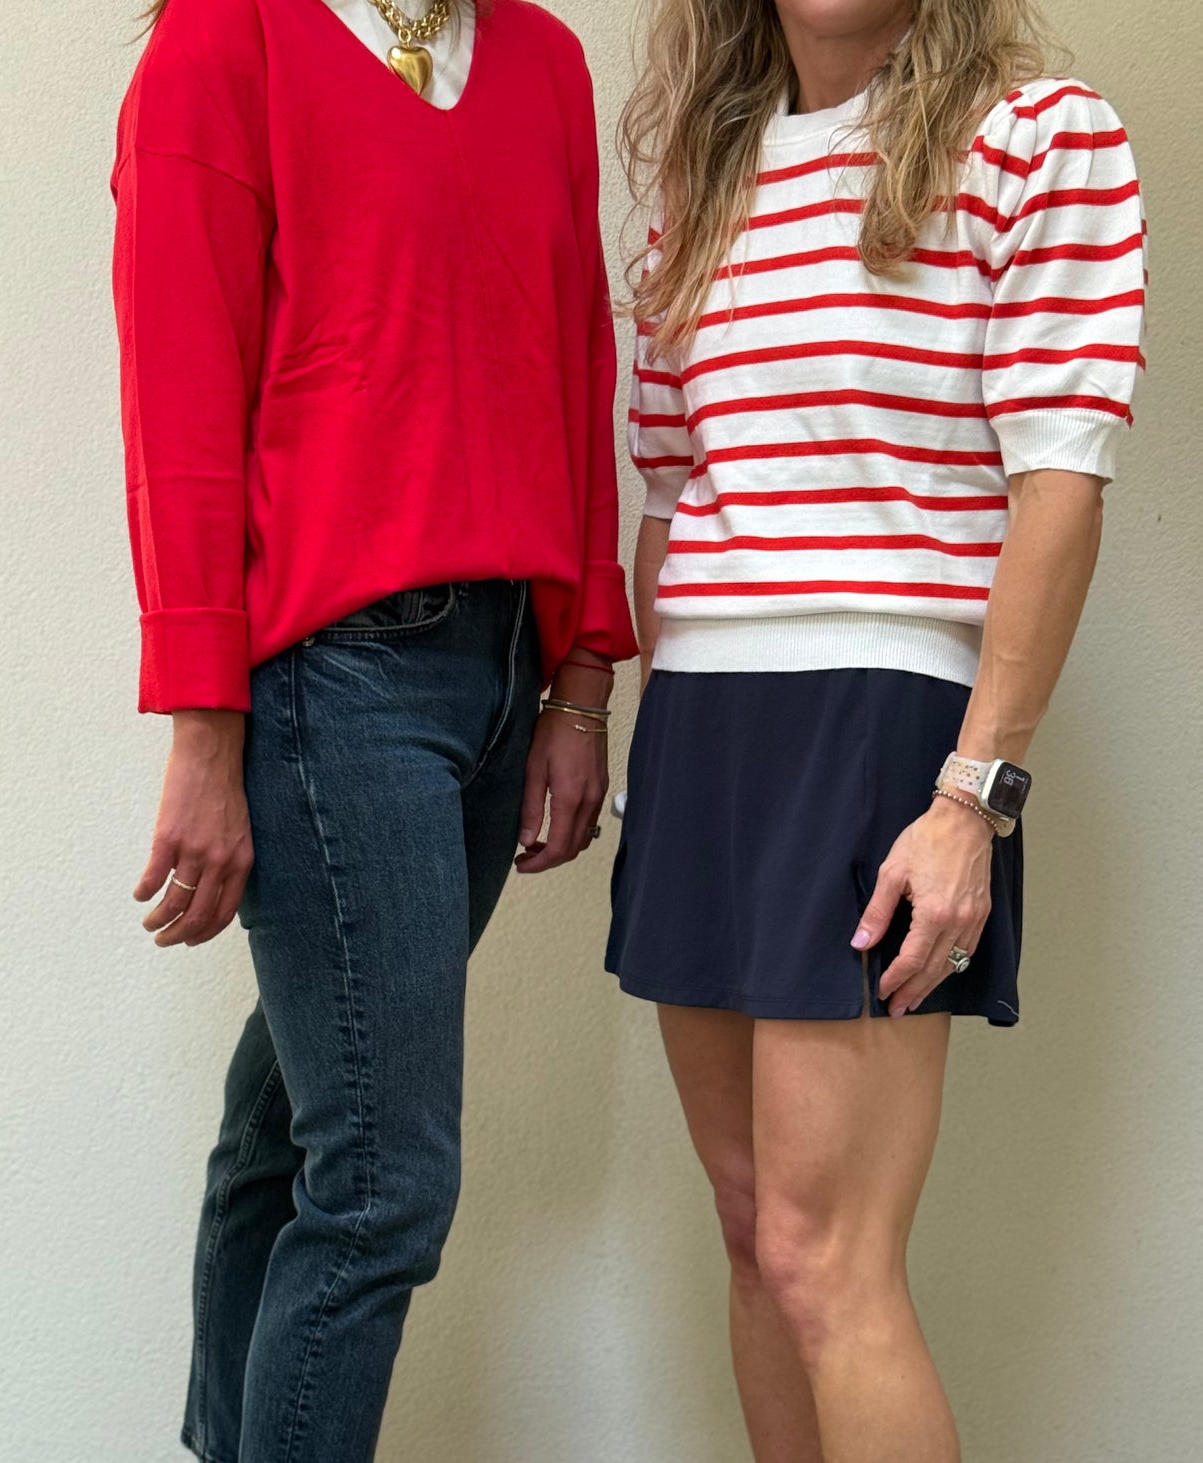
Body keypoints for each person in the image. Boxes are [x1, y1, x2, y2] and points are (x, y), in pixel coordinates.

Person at [610, 1, 1145, 1458]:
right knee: (747, 1234)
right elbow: (670, 494)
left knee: (822, 1259)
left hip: (872, 726)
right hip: (703, 724)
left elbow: (1058, 483)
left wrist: (971, 798)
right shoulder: (697, 185)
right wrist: (643, 739)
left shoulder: (1039, 137)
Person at [110, 1, 638, 1459]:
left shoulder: (539, 57)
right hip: (327, 686)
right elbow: (178, 408)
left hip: (493, 676)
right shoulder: (227, 44)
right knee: (382, 1189)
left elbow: (573, 361)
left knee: (285, 1138)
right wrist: (203, 732)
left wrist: (579, 672)